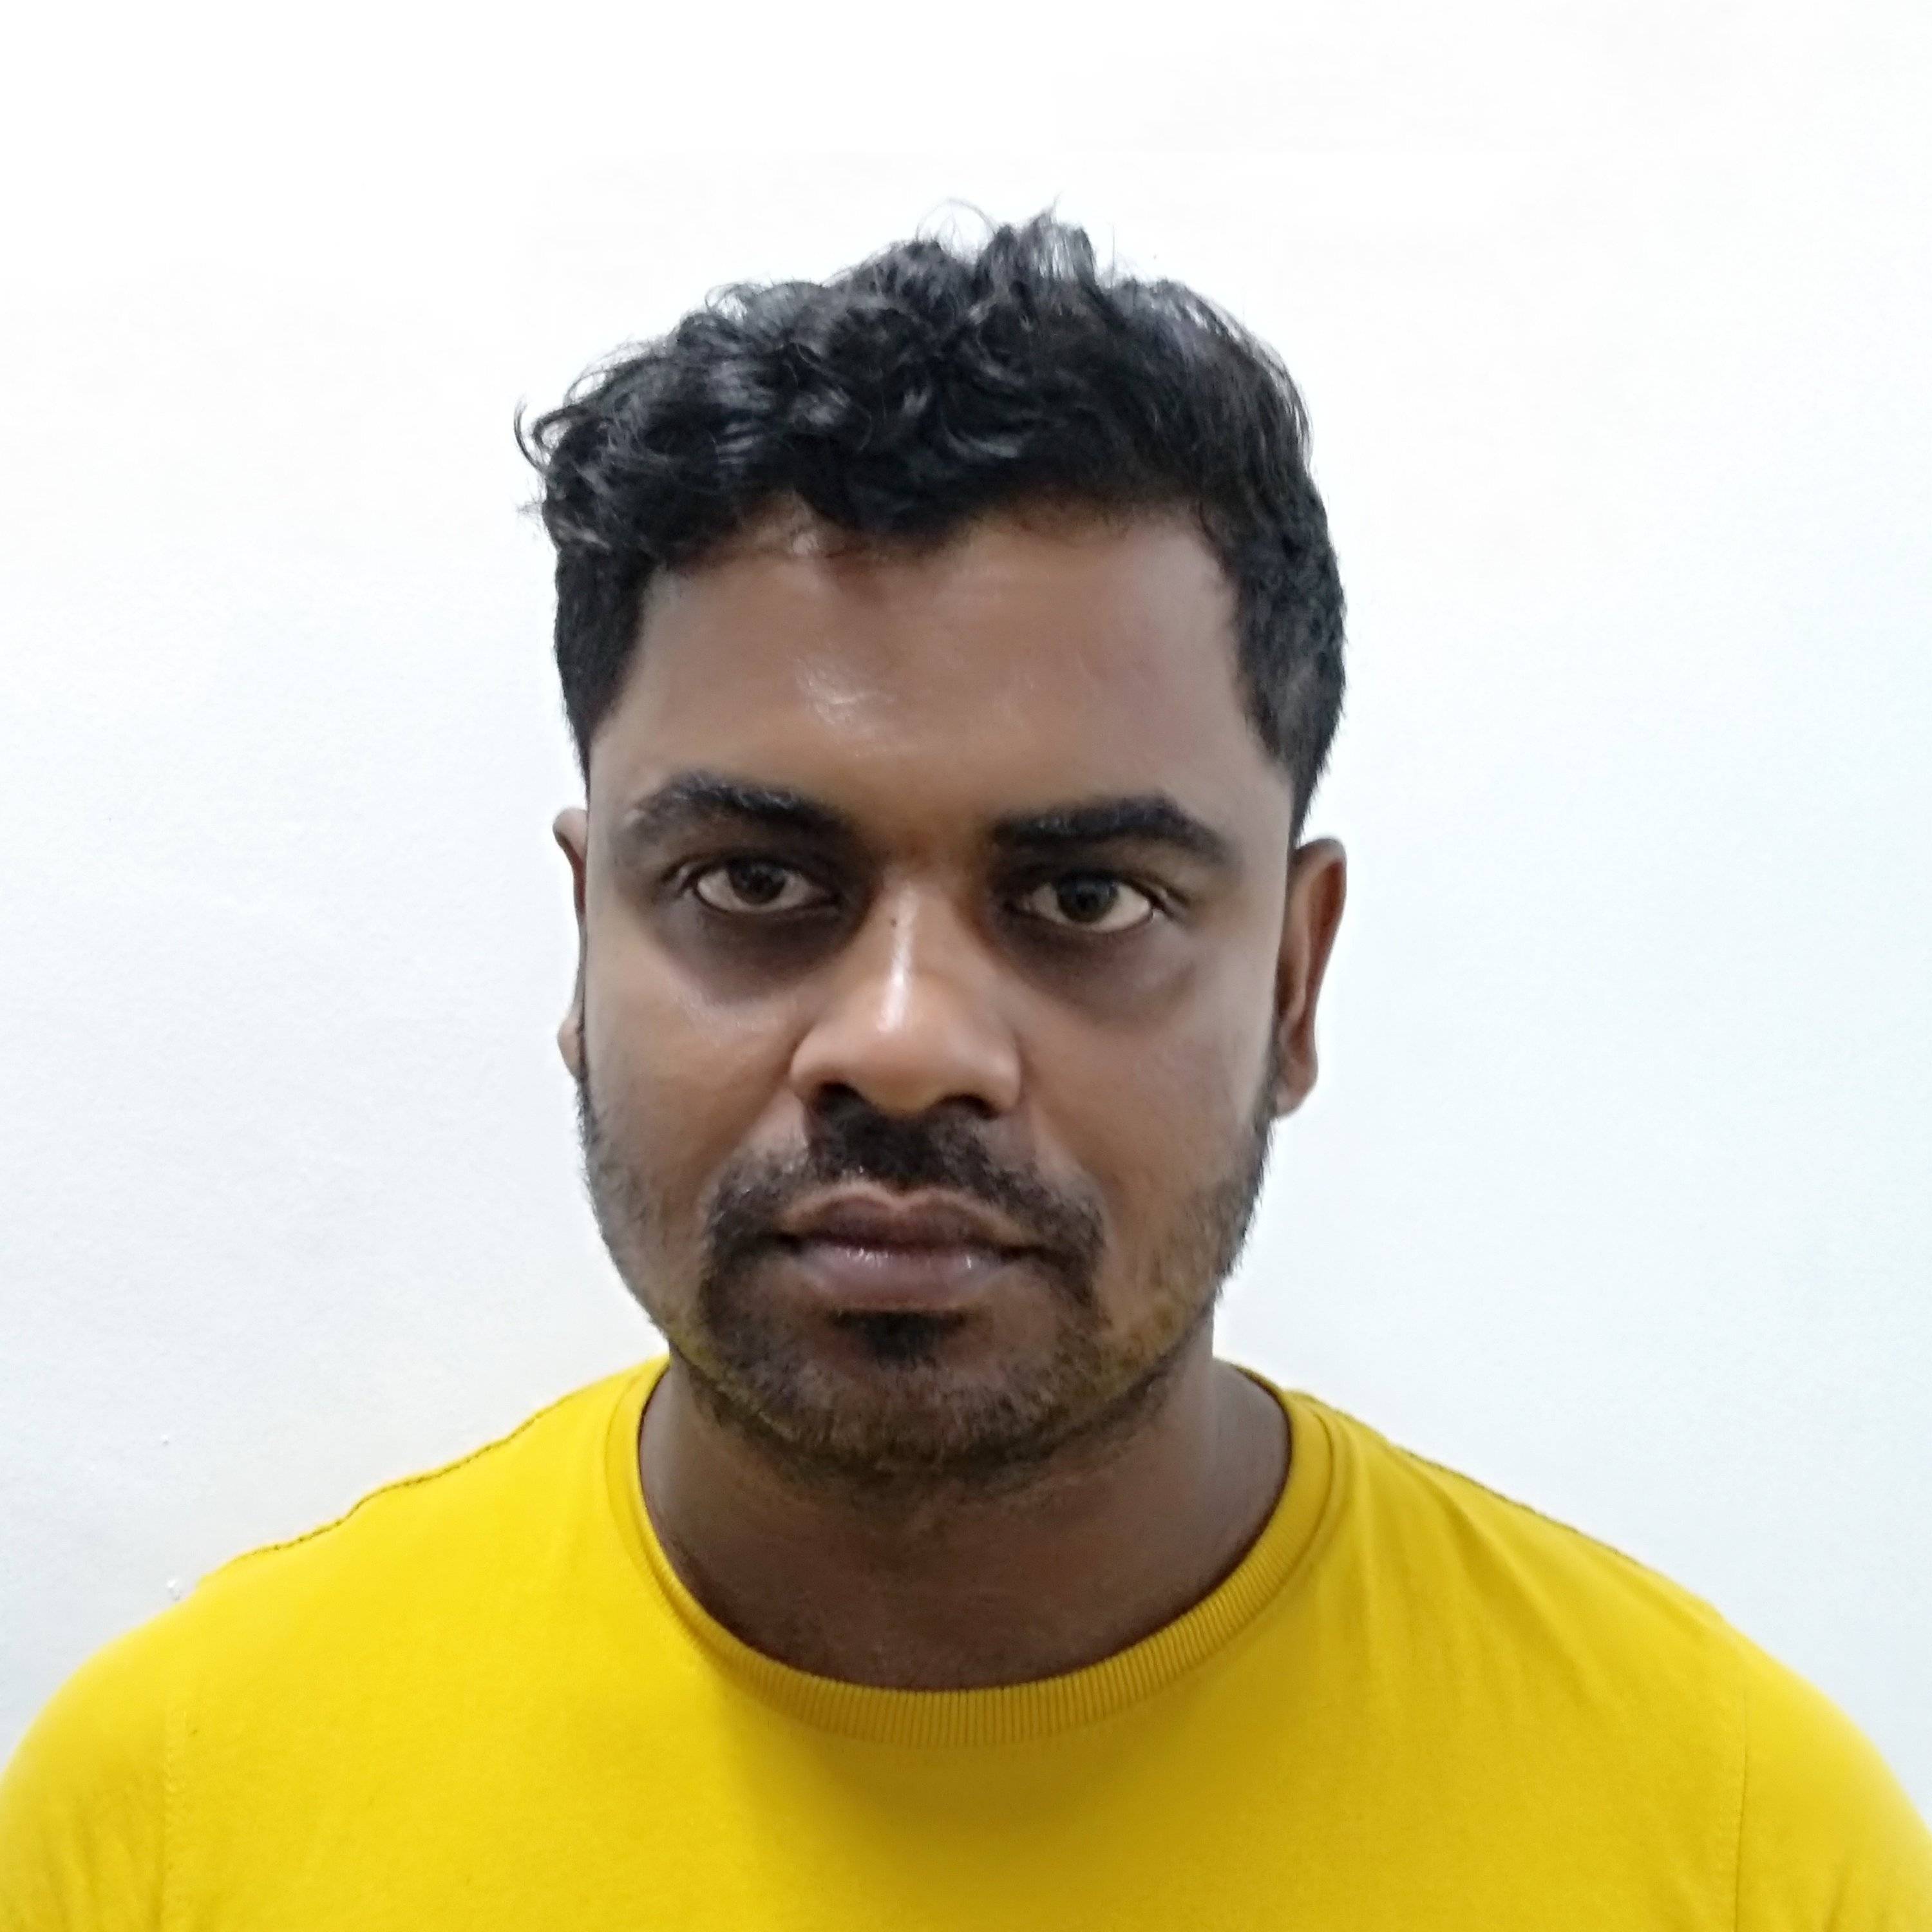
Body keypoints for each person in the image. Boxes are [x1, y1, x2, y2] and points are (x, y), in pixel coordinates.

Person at [4, 213, 1927, 1929]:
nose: (907, 1042)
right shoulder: (168, 1832)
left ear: (1293, 978)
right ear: (587, 939)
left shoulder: (1743, 1859)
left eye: (1086, 896)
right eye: (756, 883)